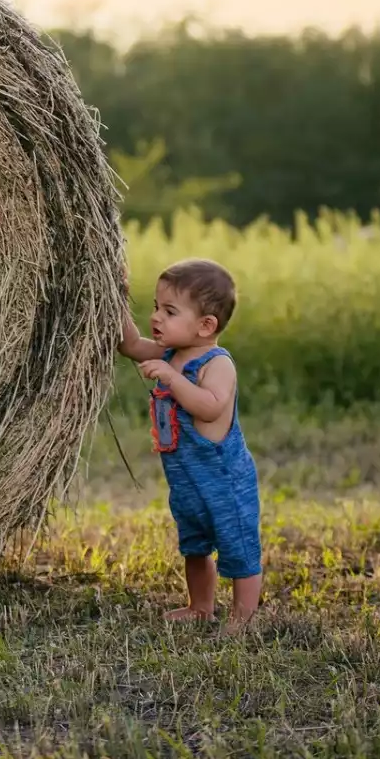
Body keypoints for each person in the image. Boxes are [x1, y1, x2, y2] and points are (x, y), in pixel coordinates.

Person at [116, 258, 263, 628]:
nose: (156, 318)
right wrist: (112, 292)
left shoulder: (217, 364)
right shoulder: (169, 354)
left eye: (169, 311)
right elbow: (130, 344)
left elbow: (210, 407)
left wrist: (170, 377)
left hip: (224, 481)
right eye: (155, 308)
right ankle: (201, 606)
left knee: (238, 549)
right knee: (195, 548)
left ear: (206, 325)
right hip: (186, 482)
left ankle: (242, 618)